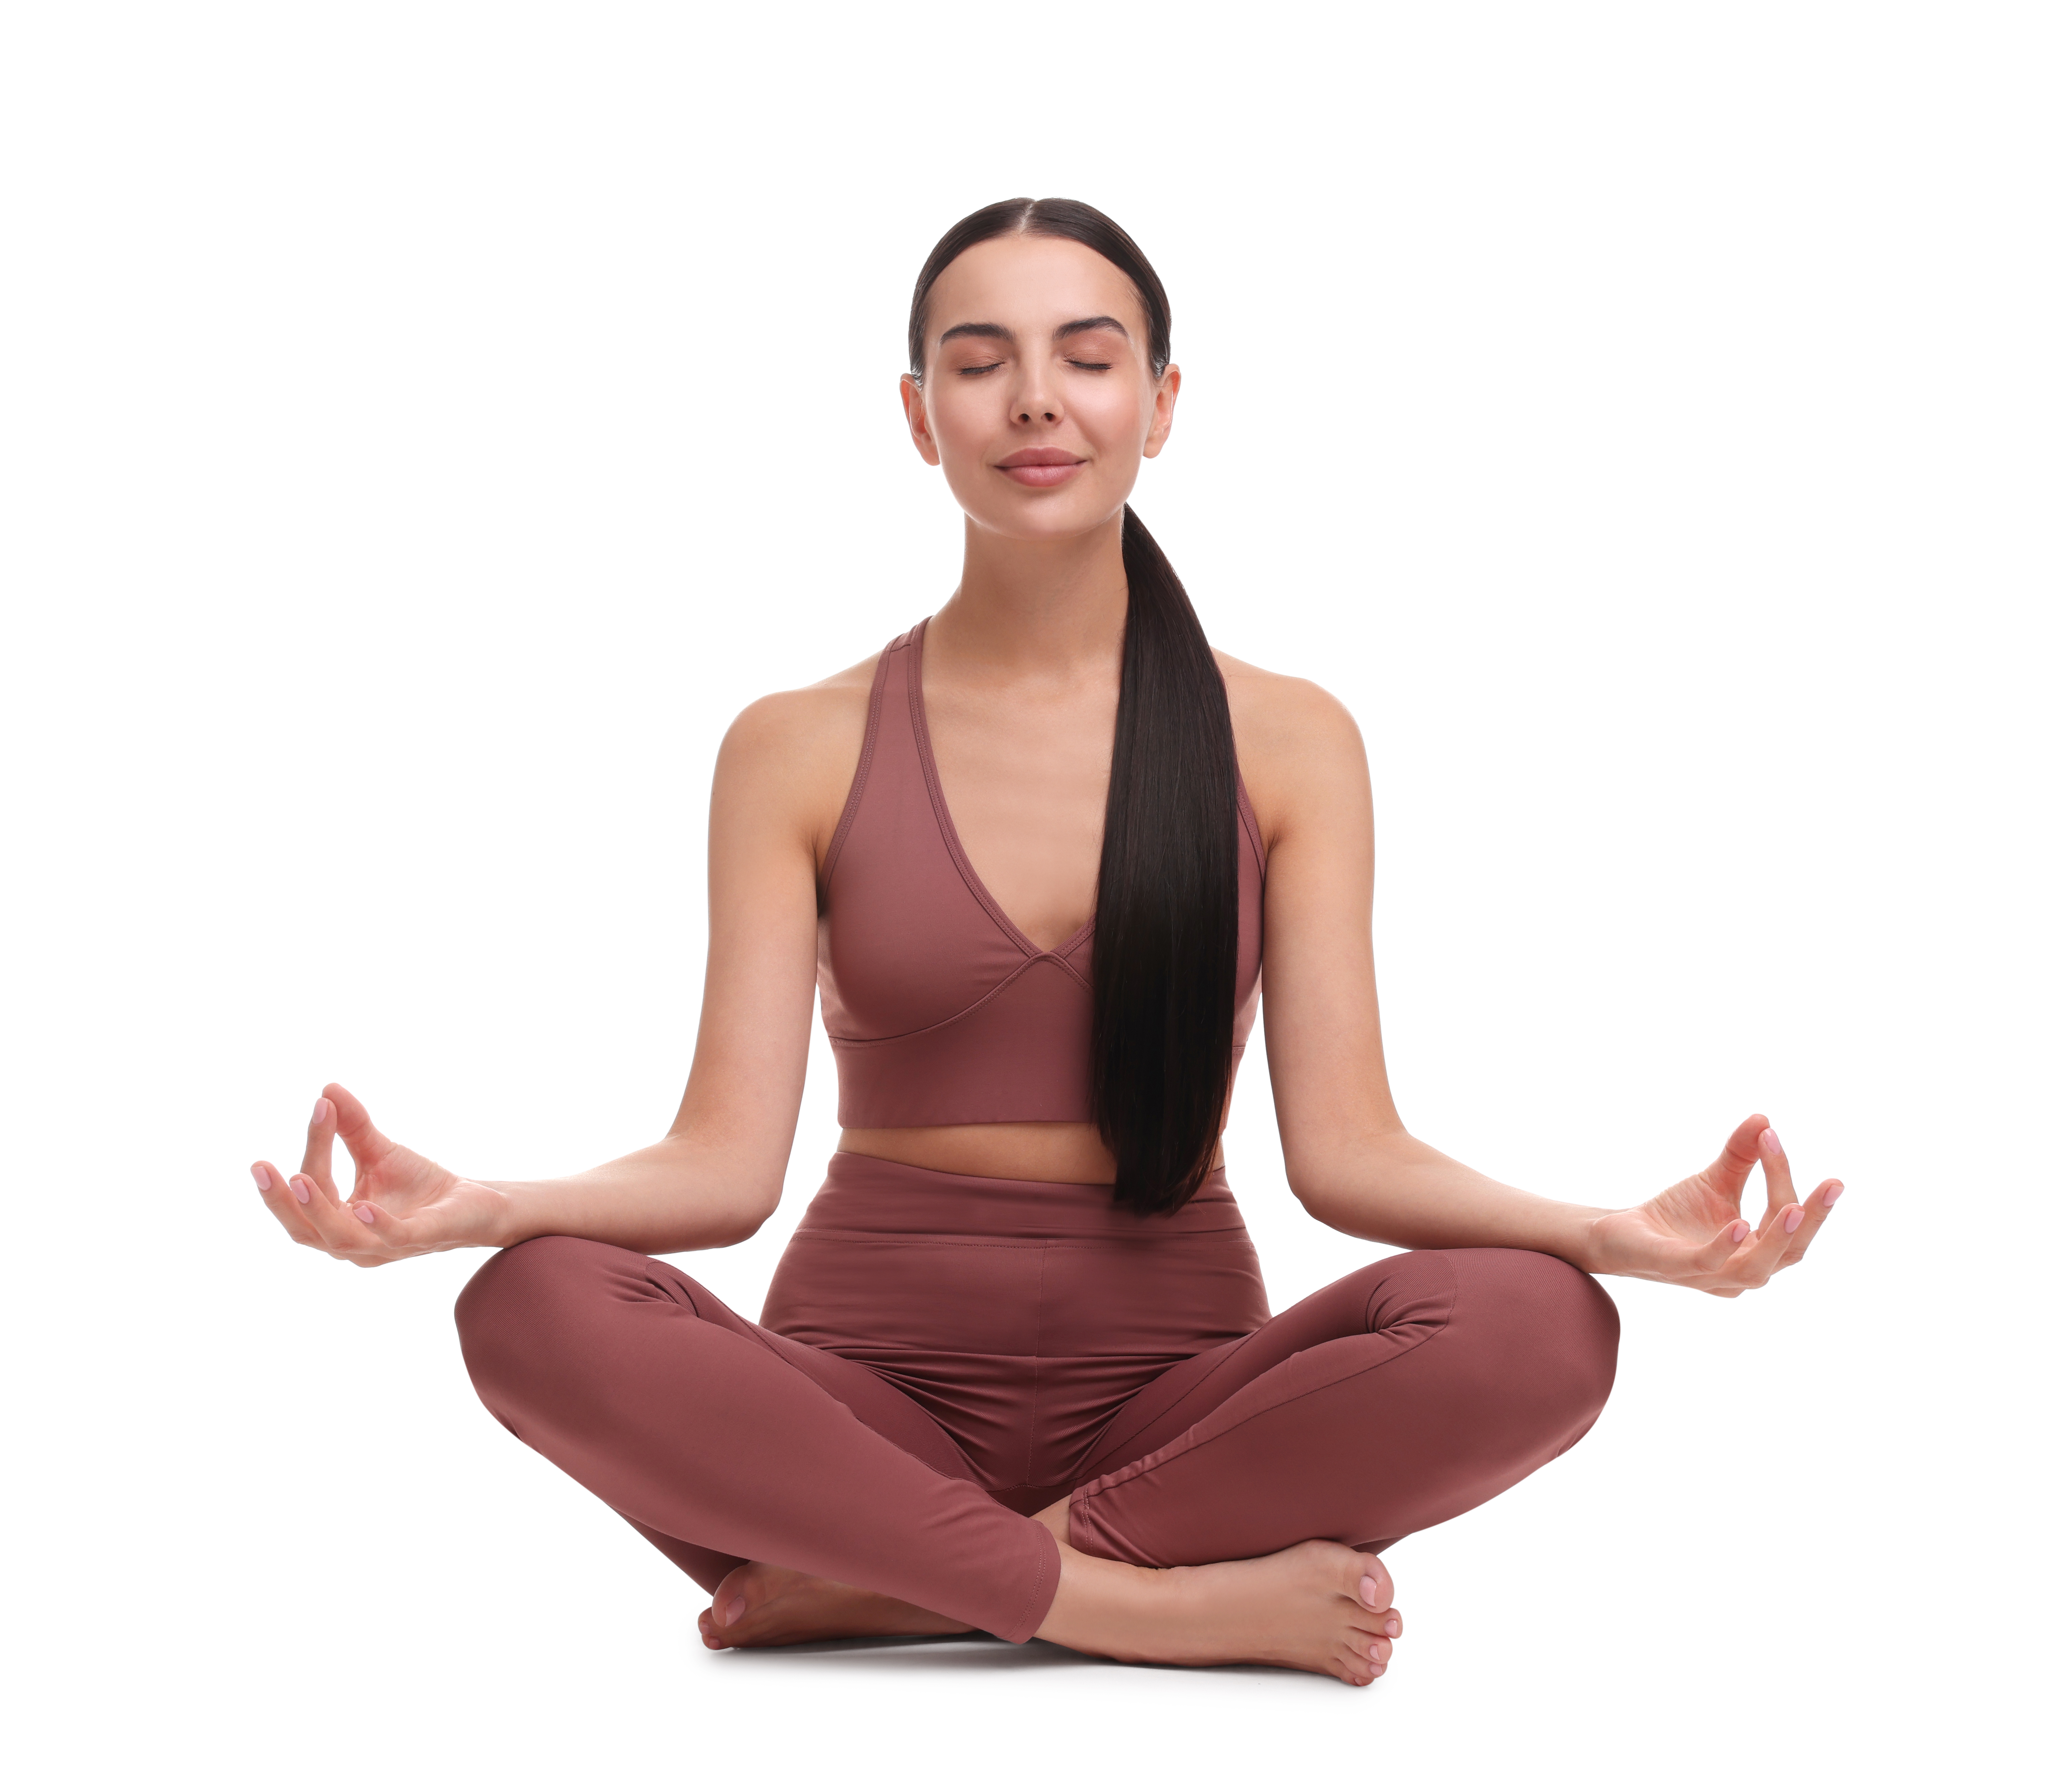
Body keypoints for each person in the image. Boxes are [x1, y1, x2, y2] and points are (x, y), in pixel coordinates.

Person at [248, 198, 1841, 1688]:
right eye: (980, 360)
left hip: (1178, 1424)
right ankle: (1137, 1609)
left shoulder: (1286, 740)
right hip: (856, 1417)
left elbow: (1351, 1151)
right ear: (914, 412)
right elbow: (722, 1169)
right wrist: (482, 1208)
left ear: (1160, 404)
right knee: (530, 1307)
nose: (1034, 400)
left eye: (1087, 358)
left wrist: (1610, 1234)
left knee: (1543, 1323)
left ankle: (895, 1586)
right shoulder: (793, 744)